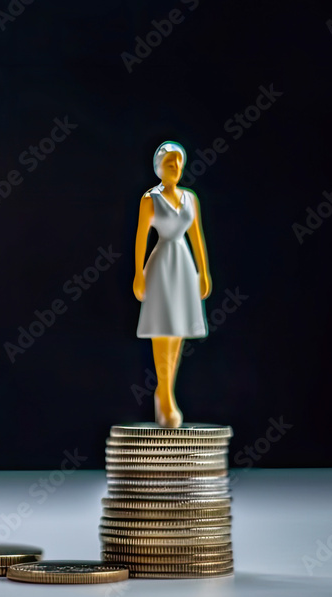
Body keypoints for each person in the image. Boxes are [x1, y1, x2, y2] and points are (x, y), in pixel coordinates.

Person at [133, 141, 212, 428]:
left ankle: (166, 391)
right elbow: (141, 238)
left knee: (178, 332)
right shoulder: (149, 200)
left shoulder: (191, 199)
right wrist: (138, 274)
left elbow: (197, 237)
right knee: (162, 330)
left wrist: (203, 272)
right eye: (169, 163)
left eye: (179, 163)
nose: (175, 167)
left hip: (183, 264)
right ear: (158, 167)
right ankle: (164, 396)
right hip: (161, 265)